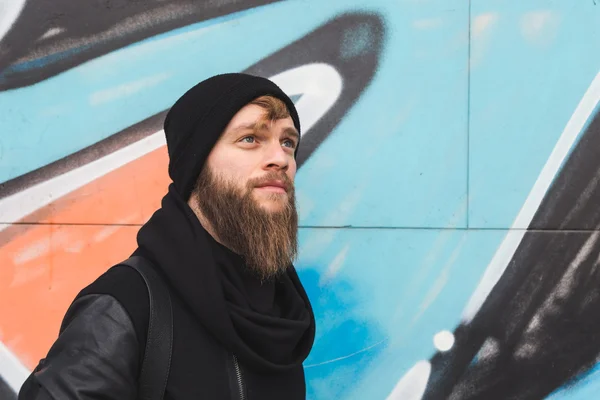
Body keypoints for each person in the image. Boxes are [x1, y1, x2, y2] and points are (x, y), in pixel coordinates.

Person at [18, 73, 316, 399]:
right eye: (250, 139)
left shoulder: (282, 309)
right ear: (197, 163)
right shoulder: (125, 305)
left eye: (288, 142)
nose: (281, 158)